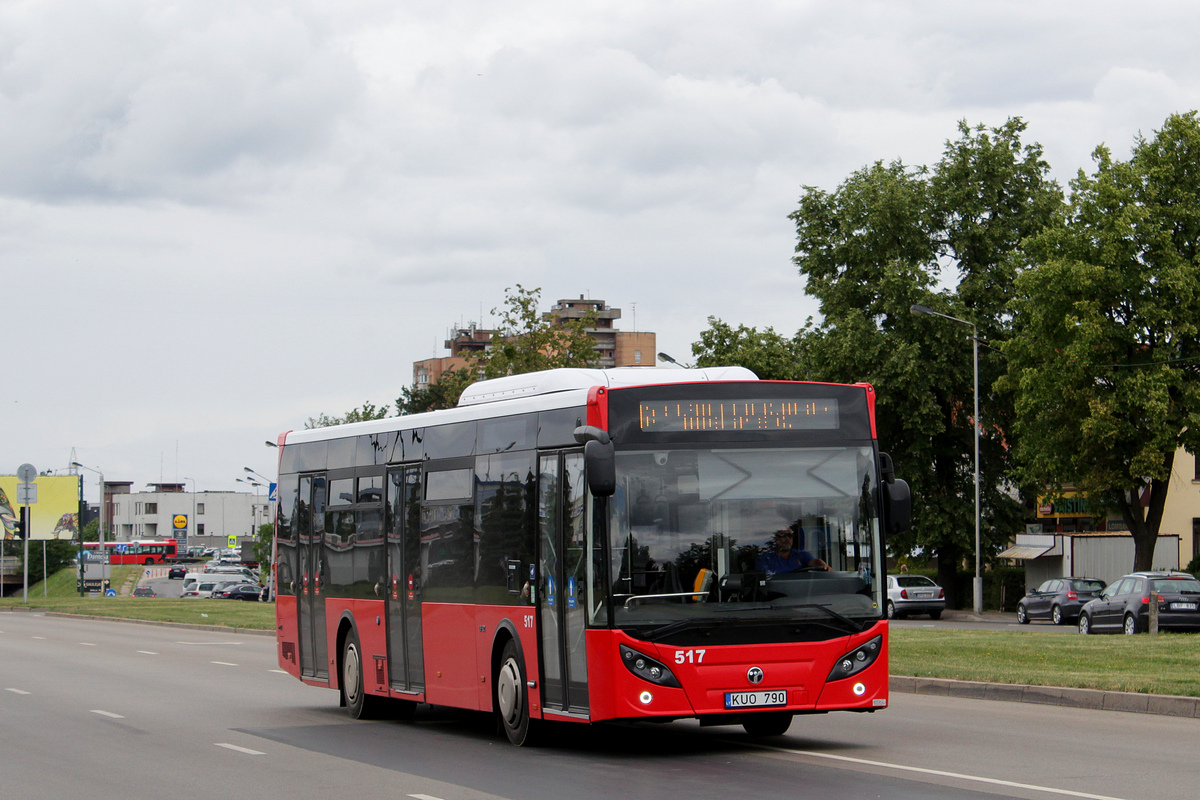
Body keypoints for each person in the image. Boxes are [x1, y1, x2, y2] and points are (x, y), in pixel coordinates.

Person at [755, 528, 829, 576]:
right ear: (775, 538)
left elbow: (814, 562)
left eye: (790, 535)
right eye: (783, 535)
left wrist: (822, 564)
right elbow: (764, 582)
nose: (787, 538)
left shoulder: (802, 555)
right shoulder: (765, 558)